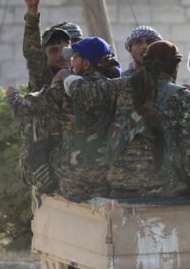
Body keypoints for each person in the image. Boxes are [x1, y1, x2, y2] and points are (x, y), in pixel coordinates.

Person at [66, 41, 190, 208]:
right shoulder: (180, 95)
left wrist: (68, 79)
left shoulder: (123, 86)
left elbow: (86, 92)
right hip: (164, 187)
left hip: (121, 185)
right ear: (174, 66)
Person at [8, 37, 121, 200]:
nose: (71, 61)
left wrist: (13, 95)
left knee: (38, 149)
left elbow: (25, 107)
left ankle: (46, 188)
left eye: (75, 58)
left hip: (74, 185)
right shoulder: (116, 87)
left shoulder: (66, 89)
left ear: (87, 64)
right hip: (108, 183)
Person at [14, 0, 82, 191]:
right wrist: (32, 13)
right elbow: (32, 53)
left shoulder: (84, 81)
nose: (61, 54)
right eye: (54, 50)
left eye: (66, 48)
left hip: (75, 168)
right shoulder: (42, 79)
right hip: (45, 170)